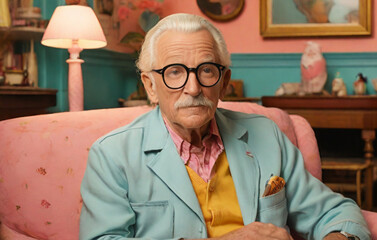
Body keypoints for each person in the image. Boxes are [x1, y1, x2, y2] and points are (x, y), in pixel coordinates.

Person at [79, 13, 370, 240]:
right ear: (150, 86)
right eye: (175, 72)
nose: (193, 88)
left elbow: (334, 212)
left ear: (224, 82)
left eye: (206, 70)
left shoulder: (266, 134)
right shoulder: (112, 155)